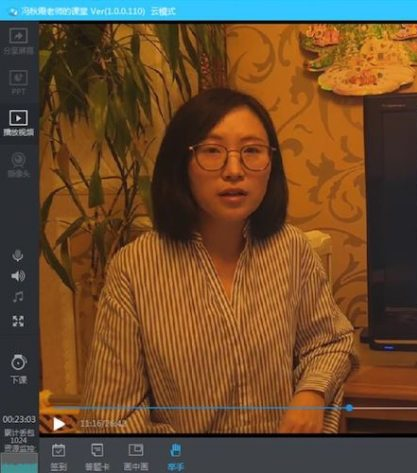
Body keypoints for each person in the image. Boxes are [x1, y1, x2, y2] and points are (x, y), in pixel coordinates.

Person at [81, 88, 358, 433]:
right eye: (212, 151)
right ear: (180, 164)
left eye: (252, 151)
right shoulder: (134, 268)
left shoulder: (291, 249)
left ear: (271, 164)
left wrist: (311, 393)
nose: (234, 170)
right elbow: (109, 419)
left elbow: (330, 341)